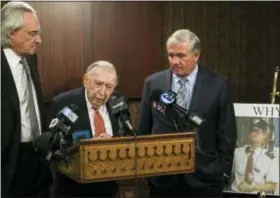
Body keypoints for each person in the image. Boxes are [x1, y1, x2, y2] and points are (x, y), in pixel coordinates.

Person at [138, 29, 237, 197]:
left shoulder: (218, 84)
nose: (174, 61)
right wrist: (146, 169)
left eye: (181, 56)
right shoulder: (153, 83)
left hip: (205, 178)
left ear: (196, 55)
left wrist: (222, 170)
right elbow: (143, 130)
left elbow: (227, 131)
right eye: (170, 55)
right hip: (163, 178)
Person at [46, 60, 130, 197]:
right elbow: (53, 148)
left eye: (109, 87)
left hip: (108, 187)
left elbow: (127, 135)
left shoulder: (118, 101)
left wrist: (114, 142)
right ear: (86, 80)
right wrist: (89, 147)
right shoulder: (63, 103)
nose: (103, 92)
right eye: (98, 84)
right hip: (73, 189)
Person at [1, 1, 52, 197]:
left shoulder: (31, 59)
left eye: (38, 33)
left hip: (38, 160)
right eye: (32, 34)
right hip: (9, 162)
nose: (39, 40)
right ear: (11, 32)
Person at [231, 118, 279, 194]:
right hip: (235, 193)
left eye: (257, 131)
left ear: (265, 135)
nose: (253, 133)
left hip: (255, 195)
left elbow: (273, 184)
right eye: (251, 130)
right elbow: (229, 176)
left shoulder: (270, 158)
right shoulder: (237, 152)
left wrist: (251, 188)